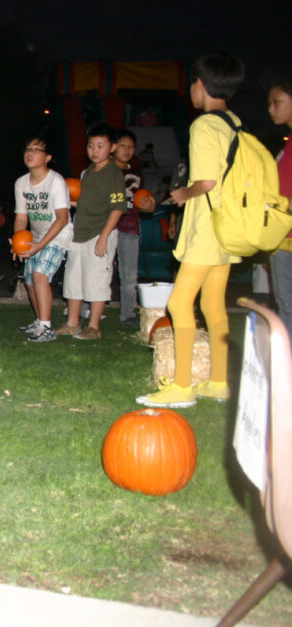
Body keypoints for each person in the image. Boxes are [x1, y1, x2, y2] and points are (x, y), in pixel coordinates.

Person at [138, 54, 246, 408]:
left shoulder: (203, 125)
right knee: (214, 306)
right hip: (227, 227)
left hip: (206, 229)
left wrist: (183, 194)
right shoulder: (234, 122)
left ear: (200, 84)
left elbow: (207, 181)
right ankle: (219, 382)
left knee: (179, 303)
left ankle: (182, 386)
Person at [58, 124, 126, 340]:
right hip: (79, 233)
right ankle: (73, 323)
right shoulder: (87, 172)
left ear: (112, 147)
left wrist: (104, 237)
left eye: (100, 146)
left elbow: (117, 208)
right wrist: (68, 202)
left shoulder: (113, 173)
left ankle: (94, 327)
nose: (94, 150)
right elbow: (87, 203)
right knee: (73, 278)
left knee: (96, 279)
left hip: (99, 233)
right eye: (90, 146)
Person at [12, 136, 73, 343]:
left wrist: (40, 245)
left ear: (47, 158)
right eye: (27, 149)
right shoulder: (21, 183)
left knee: (40, 275)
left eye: (36, 149)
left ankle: (47, 328)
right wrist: (17, 240)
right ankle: (40, 321)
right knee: (30, 280)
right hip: (36, 236)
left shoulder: (56, 181)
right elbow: (21, 217)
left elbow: (62, 218)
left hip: (58, 234)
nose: (30, 153)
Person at [113, 129, 155, 328]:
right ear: (113, 147)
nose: (127, 150)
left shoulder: (136, 174)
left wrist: (149, 206)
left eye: (131, 147)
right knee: (98, 270)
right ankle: (88, 307)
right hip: (105, 227)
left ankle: (128, 313)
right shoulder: (104, 170)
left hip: (129, 227)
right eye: (123, 145)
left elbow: (144, 201)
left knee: (129, 275)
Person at [268, 78, 292, 334]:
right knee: (286, 304)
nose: (271, 109)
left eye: (277, 102)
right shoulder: (288, 144)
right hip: (282, 236)